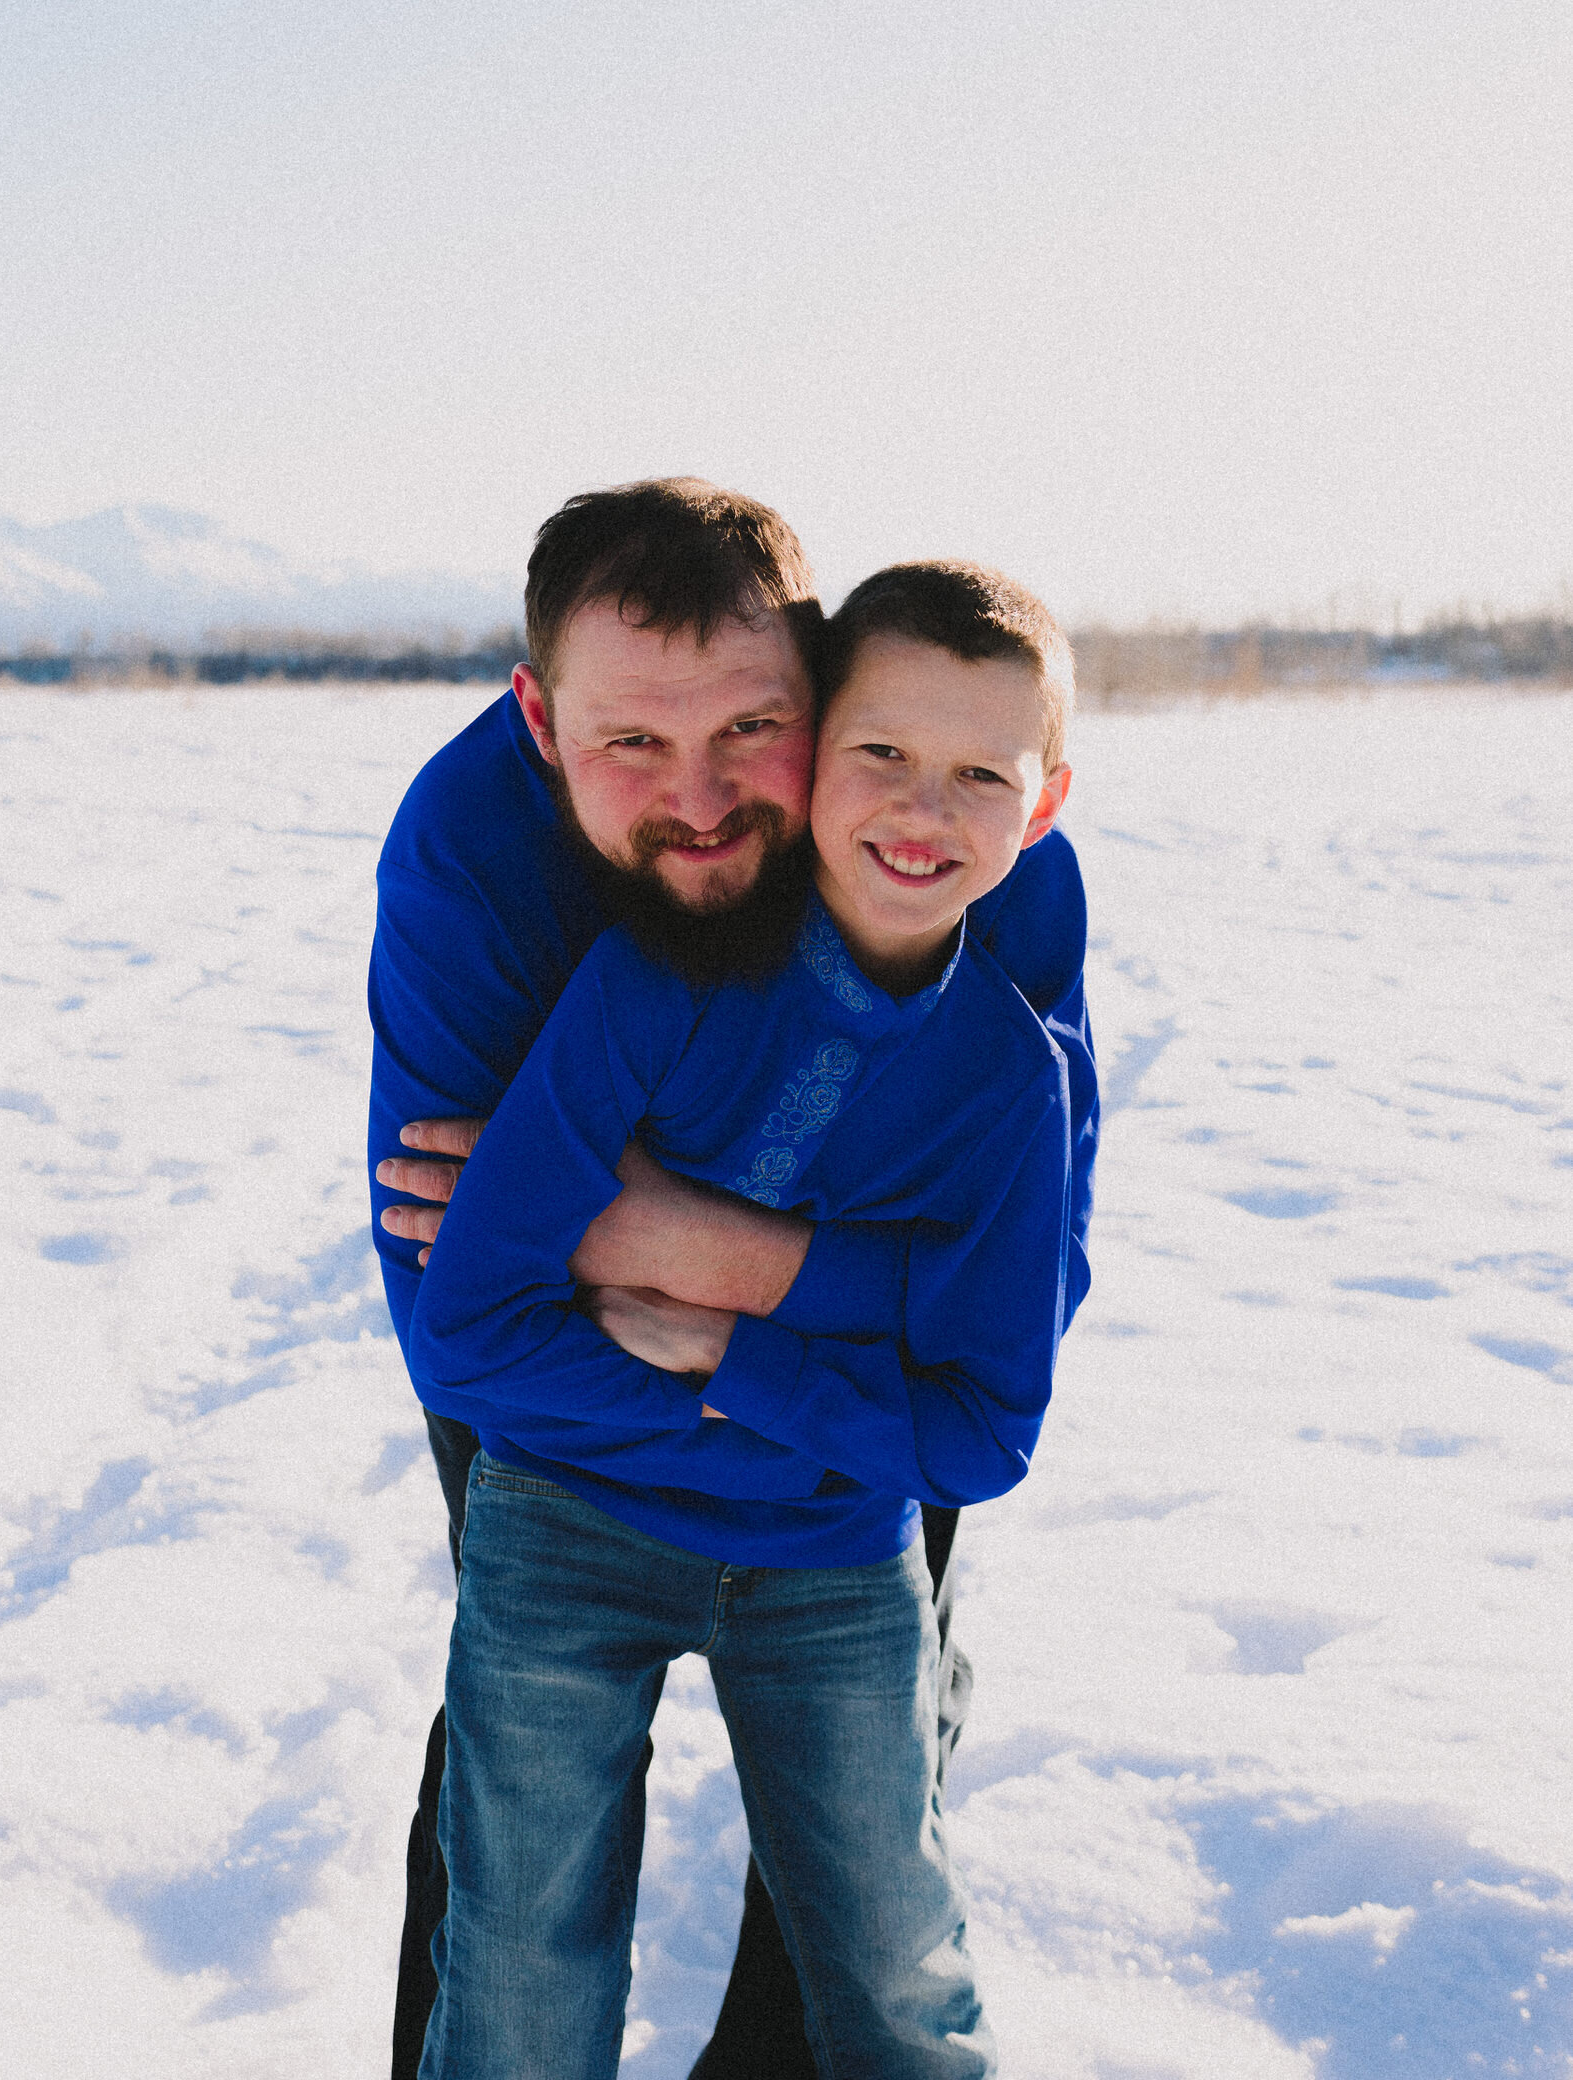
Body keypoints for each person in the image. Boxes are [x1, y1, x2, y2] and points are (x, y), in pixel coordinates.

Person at [368, 481, 1098, 2077]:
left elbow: (1011, 1311)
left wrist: (695, 1270)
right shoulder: (472, 861)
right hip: (575, 1454)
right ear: (542, 722)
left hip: (843, 1465)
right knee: (520, 1882)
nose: (699, 800)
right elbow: (459, 1302)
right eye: (632, 744)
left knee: (871, 1874)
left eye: (750, 731)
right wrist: (598, 1272)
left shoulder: (979, 873)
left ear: (818, 697)